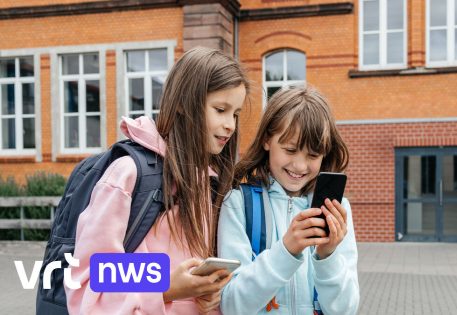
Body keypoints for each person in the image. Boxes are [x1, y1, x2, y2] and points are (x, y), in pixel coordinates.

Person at [66, 46, 250, 314]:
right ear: (184, 105)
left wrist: (215, 295)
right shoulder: (128, 175)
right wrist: (166, 288)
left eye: (235, 114)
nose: (230, 125)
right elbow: (90, 282)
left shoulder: (212, 184)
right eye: (220, 109)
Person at [217, 86, 359, 314]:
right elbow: (232, 305)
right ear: (266, 140)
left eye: (313, 155)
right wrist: (286, 250)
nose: (300, 166)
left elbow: (346, 310)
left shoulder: (338, 210)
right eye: (290, 150)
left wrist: (328, 256)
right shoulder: (238, 203)